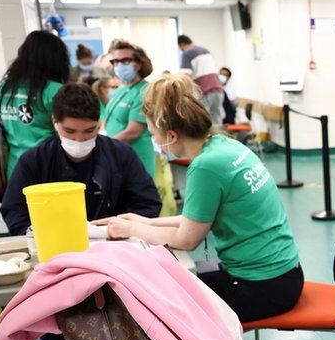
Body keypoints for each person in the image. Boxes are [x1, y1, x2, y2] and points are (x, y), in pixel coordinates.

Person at [97, 73, 303, 323]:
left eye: (154, 135)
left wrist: (131, 229)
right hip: (284, 275)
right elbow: (195, 218)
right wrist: (144, 222)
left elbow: (186, 240)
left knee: (158, 307)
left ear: (171, 136)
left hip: (261, 287)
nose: (154, 141)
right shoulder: (224, 145)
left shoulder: (205, 167)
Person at [0, 83, 161, 340]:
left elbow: (148, 203)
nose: (80, 140)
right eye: (70, 132)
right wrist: (36, 233)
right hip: (56, 259)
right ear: (54, 124)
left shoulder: (120, 155)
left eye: (89, 132)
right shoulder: (34, 161)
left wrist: (124, 227)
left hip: (113, 256)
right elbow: (13, 209)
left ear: (99, 124)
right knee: (53, 304)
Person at [0, 30, 69, 178]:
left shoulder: (5, 87)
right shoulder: (54, 90)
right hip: (47, 168)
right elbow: (68, 134)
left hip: (14, 168)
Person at [101, 40, 156, 177]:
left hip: (137, 156)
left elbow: (133, 131)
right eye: (116, 61)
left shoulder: (144, 91)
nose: (119, 65)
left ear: (138, 64)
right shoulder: (121, 89)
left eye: (125, 61)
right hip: (118, 154)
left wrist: (104, 145)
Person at [177, 35, 224, 124]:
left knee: (202, 122)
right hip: (218, 89)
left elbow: (185, 76)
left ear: (182, 44)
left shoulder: (187, 53)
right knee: (217, 122)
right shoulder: (206, 51)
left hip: (204, 90)